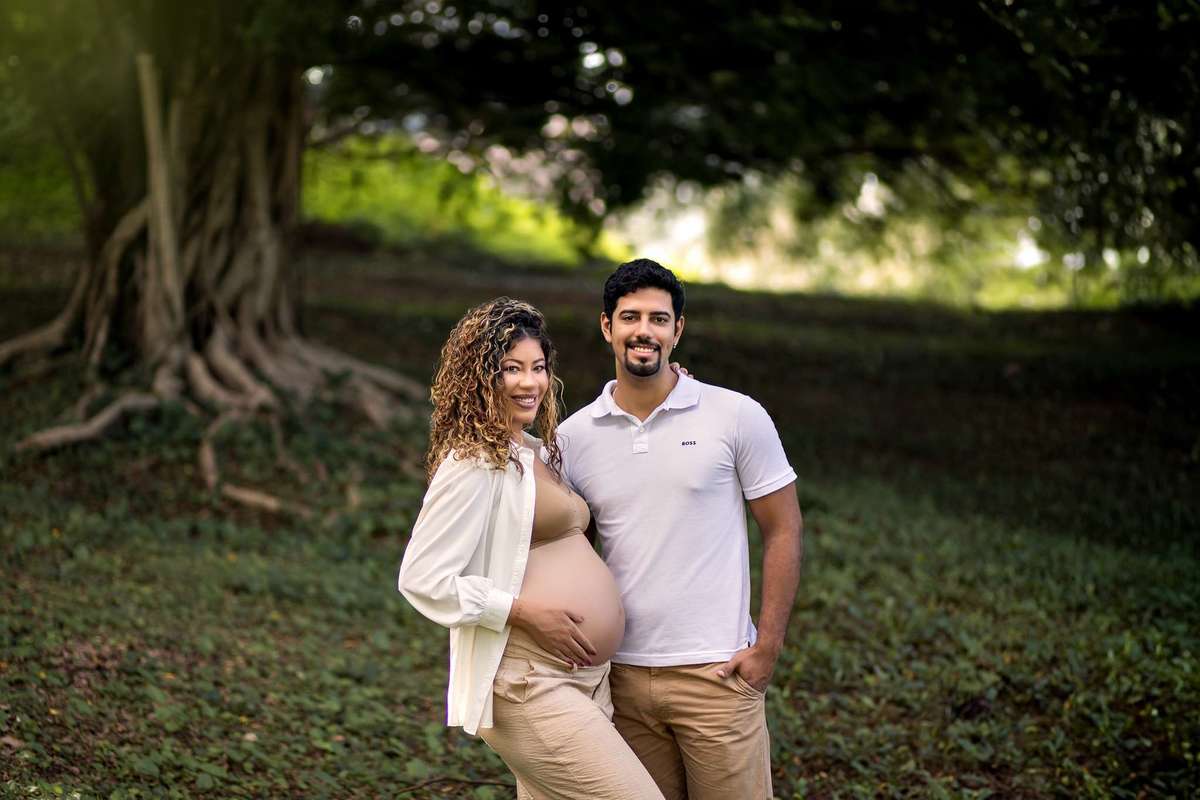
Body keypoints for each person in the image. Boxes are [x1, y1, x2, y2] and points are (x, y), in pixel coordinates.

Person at [556, 259, 804, 800]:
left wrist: (768, 647)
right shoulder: (573, 437)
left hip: (715, 672)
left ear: (677, 330)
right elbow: (569, 551)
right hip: (617, 674)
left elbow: (783, 529)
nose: (644, 330)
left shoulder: (736, 416)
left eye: (658, 318)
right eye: (630, 317)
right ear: (607, 326)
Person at [397, 298, 664, 800]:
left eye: (538, 368)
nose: (530, 382)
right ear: (480, 378)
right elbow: (421, 577)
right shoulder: (474, 461)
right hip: (528, 680)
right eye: (510, 369)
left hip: (585, 678)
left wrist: (664, 384)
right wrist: (521, 612)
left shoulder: (537, 452)